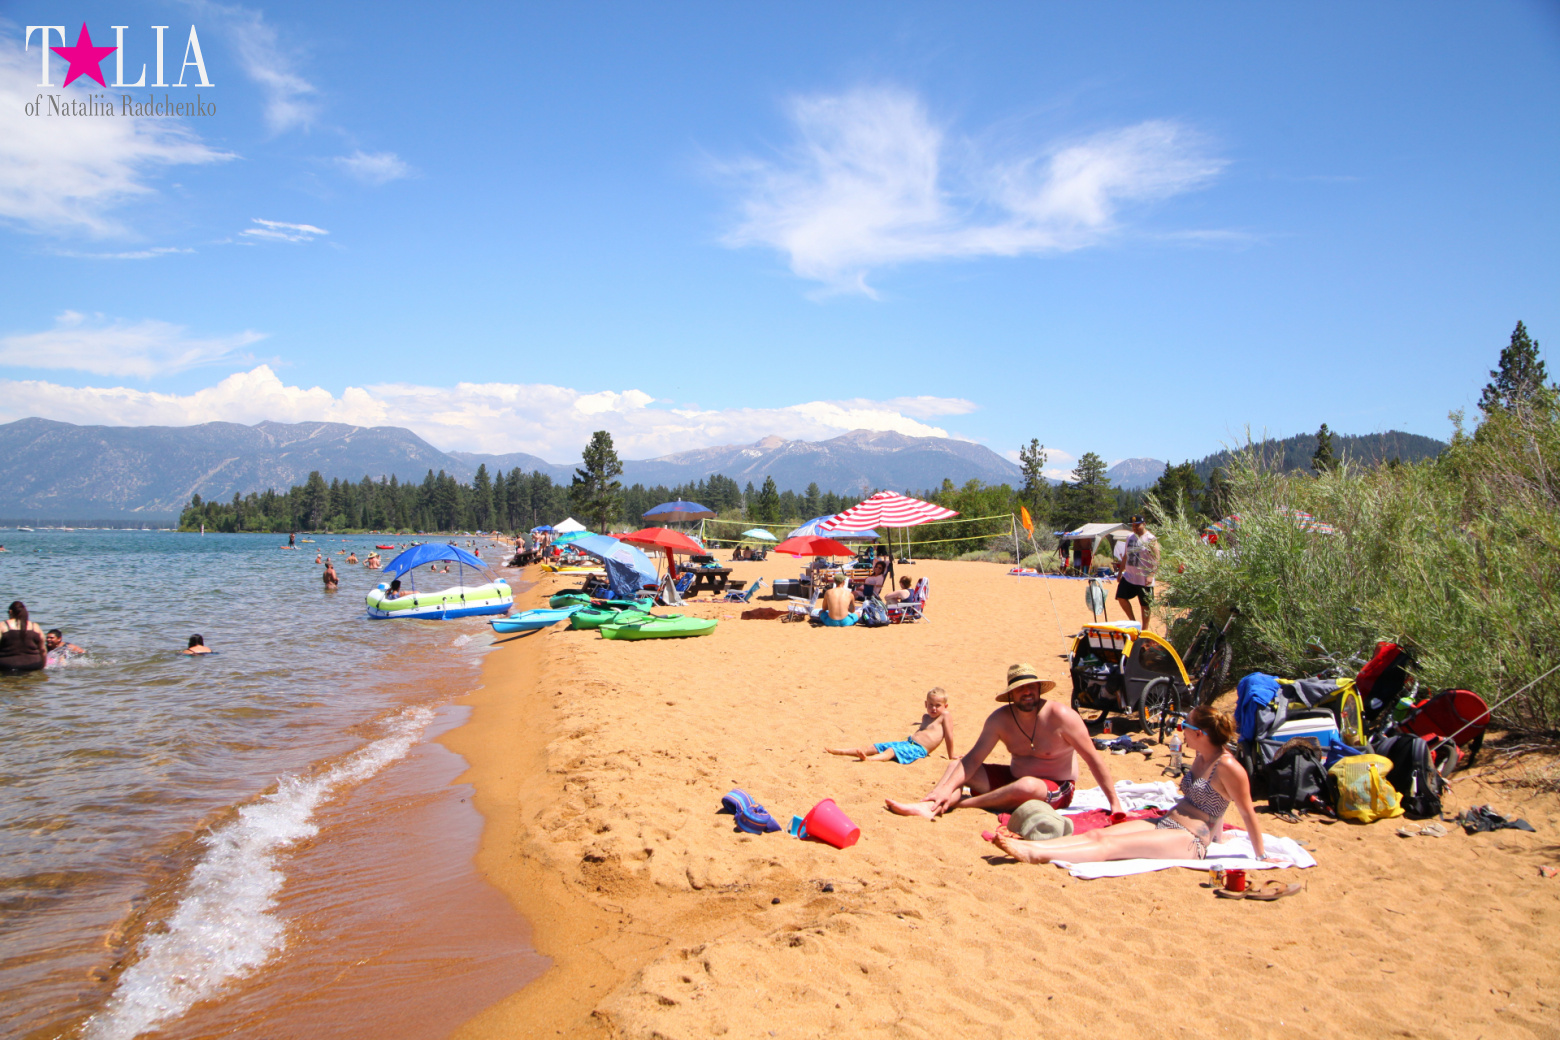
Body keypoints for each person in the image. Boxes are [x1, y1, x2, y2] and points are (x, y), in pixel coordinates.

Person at [988, 705, 1281, 865]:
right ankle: (1034, 845)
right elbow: (1215, 806)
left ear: (1201, 733)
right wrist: (1219, 837)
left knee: (1110, 846)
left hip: (1189, 840)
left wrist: (1262, 855)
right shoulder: (1201, 757)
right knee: (1100, 836)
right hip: (1167, 823)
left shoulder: (1228, 767)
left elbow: (1245, 812)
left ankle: (1035, 854)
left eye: (1185, 729)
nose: (1180, 733)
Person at [887, 663, 1125, 819]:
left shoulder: (1061, 717)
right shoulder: (1000, 720)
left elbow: (1093, 759)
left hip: (1056, 786)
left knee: (1027, 787)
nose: (1028, 692)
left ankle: (963, 804)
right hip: (1014, 778)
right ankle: (930, 803)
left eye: (1032, 687)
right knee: (954, 768)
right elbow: (973, 759)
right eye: (1021, 689)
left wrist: (1114, 803)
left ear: (1039, 689)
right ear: (1011, 694)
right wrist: (944, 789)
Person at [827, 688, 954, 763]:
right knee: (877, 746)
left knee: (892, 750)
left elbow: (949, 736)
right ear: (925, 704)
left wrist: (951, 755)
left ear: (945, 706)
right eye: (931, 705)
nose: (934, 708)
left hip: (920, 750)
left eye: (938, 705)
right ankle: (841, 751)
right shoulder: (925, 717)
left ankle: (870, 760)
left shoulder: (945, 716)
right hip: (908, 743)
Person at [1114, 515, 1160, 627]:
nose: (1135, 528)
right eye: (1133, 526)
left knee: (1145, 605)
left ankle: (1145, 629)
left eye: (1137, 525)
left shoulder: (1150, 539)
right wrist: (1120, 572)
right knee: (1121, 596)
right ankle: (1133, 622)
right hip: (1130, 576)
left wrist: (1151, 574)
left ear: (1144, 524)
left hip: (1144, 577)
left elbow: (1157, 558)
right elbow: (1126, 556)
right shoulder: (1130, 537)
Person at [0, 601, 47, 672]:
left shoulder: (3, 626)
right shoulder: (35, 626)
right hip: (34, 665)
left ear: (10, 612)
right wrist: (43, 665)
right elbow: (43, 650)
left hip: (8, 666)